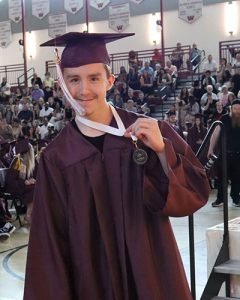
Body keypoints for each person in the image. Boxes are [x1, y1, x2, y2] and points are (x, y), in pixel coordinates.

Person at [24, 32, 209, 300]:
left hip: (149, 270)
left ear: (110, 81)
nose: (84, 90)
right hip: (91, 279)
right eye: (74, 79)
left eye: (94, 78)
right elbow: (50, 241)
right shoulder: (57, 158)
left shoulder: (149, 132)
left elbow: (195, 193)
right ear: (62, 83)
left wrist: (161, 151)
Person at [208, 99, 240, 207]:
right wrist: (210, 148)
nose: (237, 111)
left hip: (238, 155)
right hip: (225, 154)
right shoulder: (224, 119)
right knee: (222, 178)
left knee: (237, 178)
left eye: (239, 109)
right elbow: (215, 133)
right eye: (235, 108)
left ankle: (236, 199)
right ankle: (220, 199)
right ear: (231, 108)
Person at [5, 139, 36, 223]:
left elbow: (23, 178)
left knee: (37, 186)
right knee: (34, 189)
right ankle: (28, 215)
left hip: (20, 186)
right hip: (12, 187)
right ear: (28, 153)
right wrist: (25, 182)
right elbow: (10, 180)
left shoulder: (25, 162)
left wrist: (30, 180)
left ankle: (32, 214)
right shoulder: (17, 162)